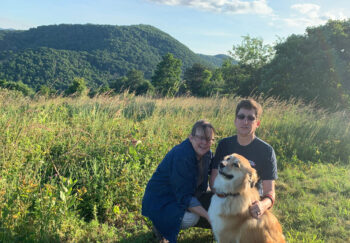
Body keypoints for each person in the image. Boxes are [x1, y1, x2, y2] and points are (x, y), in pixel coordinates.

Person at [142, 120, 215, 243]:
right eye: (200, 138)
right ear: (190, 137)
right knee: (192, 217)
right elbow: (185, 197)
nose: (204, 142)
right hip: (162, 200)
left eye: (208, 139)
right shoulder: (182, 156)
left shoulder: (207, 154)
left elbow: (215, 175)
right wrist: (210, 217)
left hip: (184, 194)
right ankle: (161, 228)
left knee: (217, 202)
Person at [210, 98, 278, 219]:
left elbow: (270, 192)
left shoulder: (266, 151)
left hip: (250, 204)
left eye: (251, 118)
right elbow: (214, 179)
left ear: (257, 123)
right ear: (235, 121)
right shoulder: (224, 145)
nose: (245, 121)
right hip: (224, 198)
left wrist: (262, 205)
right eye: (241, 117)